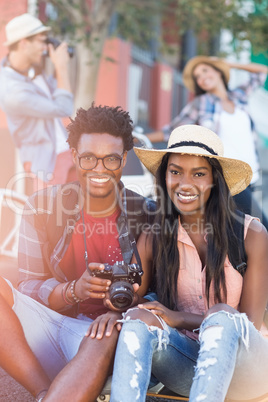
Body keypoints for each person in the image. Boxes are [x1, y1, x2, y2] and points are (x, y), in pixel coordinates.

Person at [0, 104, 155, 401]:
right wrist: (73, 290)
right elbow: (28, 286)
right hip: (48, 328)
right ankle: (44, 392)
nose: (99, 169)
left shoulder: (146, 214)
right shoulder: (42, 206)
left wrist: (125, 305)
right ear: (74, 156)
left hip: (109, 337)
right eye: (88, 158)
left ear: (124, 158)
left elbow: (159, 295)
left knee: (105, 332)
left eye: (111, 159)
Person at [110, 124, 268, 402]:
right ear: (164, 176)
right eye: (175, 172)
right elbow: (132, 300)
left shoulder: (251, 235)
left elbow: (250, 326)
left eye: (198, 174)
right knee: (137, 319)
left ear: (215, 180)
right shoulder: (155, 236)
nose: (185, 184)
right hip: (186, 364)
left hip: (246, 372)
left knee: (223, 315)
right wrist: (112, 294)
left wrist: (180, 318)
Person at [146, 56, 268, 229]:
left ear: (218, 72)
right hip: (227, 176)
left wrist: (228, 64)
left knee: (240, 233)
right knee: (261, 228)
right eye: (198, 77)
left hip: (251, 175)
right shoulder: (201, 103)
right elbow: (170, 131)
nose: (201, 78)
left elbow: (262, 71)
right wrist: (134, 137)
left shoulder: (238, 96)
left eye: (205, 71)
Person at [0, 13, 75, 191]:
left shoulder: (31, 69)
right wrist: (61, 66)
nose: (44, 47)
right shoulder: (13, 92)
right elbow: (64, 107)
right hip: (47, 162)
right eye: (41, 41)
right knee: (55, 215)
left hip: (66, 153)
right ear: (24, 43)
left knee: (79, 214)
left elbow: (57, 93)